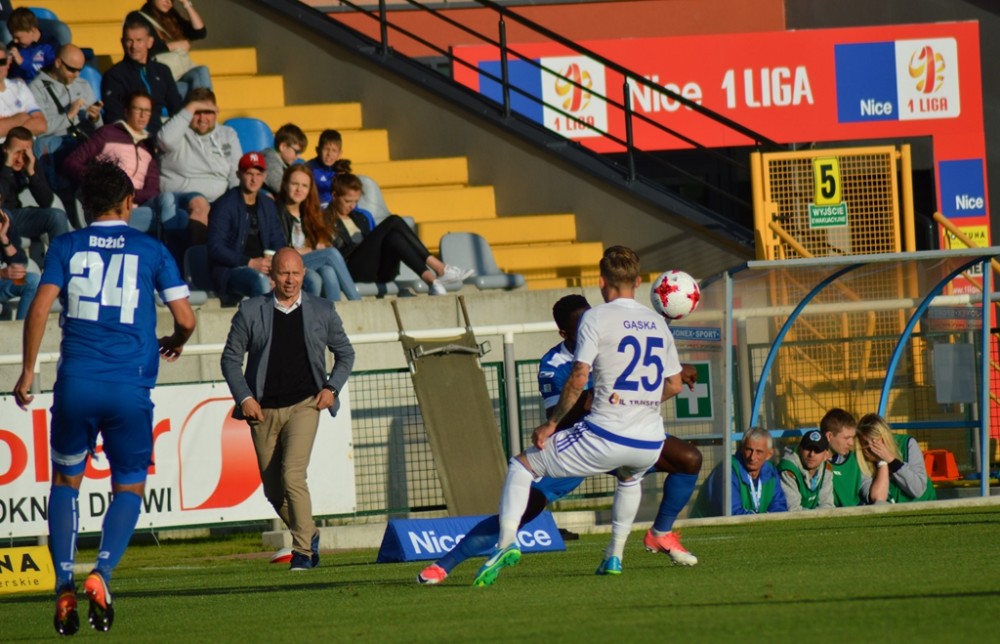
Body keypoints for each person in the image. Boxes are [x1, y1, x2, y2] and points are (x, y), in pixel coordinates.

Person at [12, 161, 195, 636]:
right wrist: (175, 340)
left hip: (76, 382)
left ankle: (64, 582)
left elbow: (39, 307)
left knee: (65, 481)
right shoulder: (151, 249)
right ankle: (103, 573)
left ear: (86, 205)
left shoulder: (66, 245)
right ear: (129, 203)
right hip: (129, 386)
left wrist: (28, 371)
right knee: (128, 486)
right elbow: (186, 318)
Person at [417, 294, 701, 585]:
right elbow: (559, 417)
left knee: (689, 459)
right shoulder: (554, 364)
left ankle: (660, 533)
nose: (589, 327)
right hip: (580, 445)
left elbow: (645, 377)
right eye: (580, 326)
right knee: (525, 508)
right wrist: (594, 397)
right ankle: (445, 564)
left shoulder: (610, 336)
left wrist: (676, 371)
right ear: (564, 334)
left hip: (619, 434)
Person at [472, 246, 685, 586]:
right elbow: (673, 384)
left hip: (606, 435)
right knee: (629, 479)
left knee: (522, 465)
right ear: (638, 281)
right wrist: (638, 402)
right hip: (649, 442)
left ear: (601, 281)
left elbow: (579, 376)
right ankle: (614, 555)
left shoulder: (595, 317)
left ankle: (506, 542)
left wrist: (551, 424)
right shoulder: (659, 322)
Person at [220, 247, 355, 571]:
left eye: (296, 273)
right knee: (273, 490)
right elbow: (230, 360)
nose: (290, 280)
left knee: (293, 475)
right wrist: (245, 398)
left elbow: (345, 354)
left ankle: (303, 552)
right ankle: (309, 532)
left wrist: (331, 388)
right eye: (284, 273)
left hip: (305, 405)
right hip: (262, 411)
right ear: (272, 275)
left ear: (304, 275)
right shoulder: (250, 310)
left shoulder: (323, 309)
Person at [63, 91, 178, 243]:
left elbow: (152, 191)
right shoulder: (107, 133)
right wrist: (103, 183)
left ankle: (168, 250)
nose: (142, 115)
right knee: (175, 219)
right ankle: (167, 253)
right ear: (126, 111)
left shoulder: (148, 146)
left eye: (147, 111)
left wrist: (127, 192)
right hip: (109, 207)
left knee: (171, 203)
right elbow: (71, 162)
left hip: (136, 207)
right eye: (138, 109)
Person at [327, 173, 470, 295]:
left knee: (394, 237)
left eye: (356, 201)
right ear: (334, 196)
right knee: (393, 221)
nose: (352, 206)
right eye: (347, 201)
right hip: (350, 270)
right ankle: (440, 268)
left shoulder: (361, 217)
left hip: (379, 270)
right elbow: (331, 254)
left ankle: (433, 282)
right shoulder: (324, 220)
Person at [158, 87, 241, 244]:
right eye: (197, 112)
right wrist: (191, 107)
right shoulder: (177, 130)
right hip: (181, 196)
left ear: (215, 112)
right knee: (200, 204)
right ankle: (199, 257)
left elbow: (236, 172)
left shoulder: (228, 134)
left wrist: (237, 200)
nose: (202, 118)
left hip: (220, 198)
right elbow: (165, 140)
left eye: (207, 112)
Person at [207, 151, 284, 300]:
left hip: (265, 266)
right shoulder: (224, 205)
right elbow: (215, 248)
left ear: (265, 176)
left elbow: (278, 240)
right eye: (249, 173)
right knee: (259, 281)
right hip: (231, 271)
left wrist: (274, 265)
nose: (254, 179)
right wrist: (249, 262)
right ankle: (264, 317)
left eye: (258, 174)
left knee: (308, 279)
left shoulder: (268, 204)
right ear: (239, 175)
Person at [28, 44, 103, 194]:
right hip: (54, 144)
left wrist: (95, 118)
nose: (77, 75)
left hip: (82, 141)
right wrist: (69, 115)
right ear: (58, 63)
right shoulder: (36, 88)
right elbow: (40, 129)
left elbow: (99, 128)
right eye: (72, 70)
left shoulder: (82, 84)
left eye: (80, 70)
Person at [278, 164, 359, 301]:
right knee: (331, 254)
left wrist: (320, 243)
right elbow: (278, 250)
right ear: (285, 184)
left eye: (304, 186)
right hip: (286, 263)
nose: (299, 189)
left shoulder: (310, 212)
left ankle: (333, 313)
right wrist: (306, 250)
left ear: (310, 189)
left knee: (328, 271)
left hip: (306, 262)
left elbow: (320, 241)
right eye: (295, 184)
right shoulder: (275, 211)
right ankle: (356, 301)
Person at [101, 12, 182, 139]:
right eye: (129, 41)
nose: (134, 46)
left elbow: (177, 109)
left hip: (162, 137)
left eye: (139, 40)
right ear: (122, 42)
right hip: (132, 138)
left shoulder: (162, 71)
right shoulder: (114, 75)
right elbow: (115, 118)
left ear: (150, 42)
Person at [0, 126, 70, 266]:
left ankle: (60, 268)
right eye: (16, 153)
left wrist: (31, 173)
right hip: (2, 216)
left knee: (56, 216)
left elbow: (46, 202)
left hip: (15, 215)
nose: (20, 159)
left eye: (25, 154)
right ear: (5, 149)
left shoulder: (29, 162)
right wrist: (6, 167)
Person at [691, 427, 788, 516]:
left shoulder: (771, 472)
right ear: (741, 449)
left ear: (769, 454)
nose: (752, 457)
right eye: (748, 450)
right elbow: (732, 513)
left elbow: (779, 507)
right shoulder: (726, 472)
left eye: (759, 452)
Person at [307, 128, 390, 219]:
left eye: (334, 150)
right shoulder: (310, 169)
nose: (329, 154)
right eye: (326, 149)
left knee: (366, 215)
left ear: (340, 154)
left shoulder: (339, 168)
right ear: (317, 150)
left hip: (342, 208)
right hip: (321, 210)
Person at [137, 0, 212, 99]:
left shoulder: (172, 16)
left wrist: (186, 3)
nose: (168, 2)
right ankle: (205, 107)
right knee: (197, 91)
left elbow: (200, 32)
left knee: (202, 71)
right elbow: (139, 50)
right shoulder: (139, 19)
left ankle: (204, 107)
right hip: (160, 80)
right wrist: (173, 46)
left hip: (180, 72)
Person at [855, 413, 936, 504]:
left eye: (874, 442)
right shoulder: (859, 459)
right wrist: (882, 463)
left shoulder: (907, 443)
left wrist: (891, 460)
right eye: (865, 443)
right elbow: (878, 499)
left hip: (924, 503)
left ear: (884, 439)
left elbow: (918, 490)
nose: (870, 448)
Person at [0, 42, 47, 139]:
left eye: (1, 62)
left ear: (9, 62)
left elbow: (41, 125)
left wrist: (7, 125)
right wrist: (21, 118)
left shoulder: (20, 87)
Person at [778, 429, 834, 511]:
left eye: (817, 450)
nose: (811, 454)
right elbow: (793, 510)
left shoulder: (827, 469)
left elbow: (827, 505)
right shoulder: (789, 469)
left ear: (826, 455)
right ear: (799, 449)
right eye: (808, 448)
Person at [0, 200, 37, 319]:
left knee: (32, 281)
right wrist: (1, 274)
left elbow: (20, 262)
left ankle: (22, 328)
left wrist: (4, 239)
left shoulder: (5, 219)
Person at [821, 408, 863, 507]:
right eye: (846, 438)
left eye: (853, 437)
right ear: (829, 436)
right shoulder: (811, 461)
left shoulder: (855, 459)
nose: (851, 443)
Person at [6, 7, 57, 83]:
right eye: (13, 37)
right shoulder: (12, 47)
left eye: (18, 37)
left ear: (33, 30)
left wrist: (22, 62)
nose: (15, 41)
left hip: (39, 87)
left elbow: (50, 76)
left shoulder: (50, 46)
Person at [263, 122, 306, 195]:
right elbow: (284, 191)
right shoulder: (270, 162)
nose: (299, 156)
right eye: (296, 152)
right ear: (283, 147)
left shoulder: (285, 162)